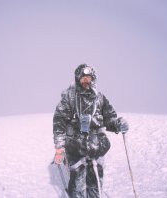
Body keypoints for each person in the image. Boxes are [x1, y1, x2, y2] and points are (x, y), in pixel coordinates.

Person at [53, 64, 129, 198]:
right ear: (78, 79)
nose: (86, 81)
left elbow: (109, 118)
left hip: (97, 148)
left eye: (89, 78)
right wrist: (59, 149)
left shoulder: (100, 98)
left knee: (95, 185)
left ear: (93, 79)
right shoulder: (69, 98)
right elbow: (59, 122)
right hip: (75, 148)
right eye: (83, 78)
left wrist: (118, 124)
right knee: (77, 185)